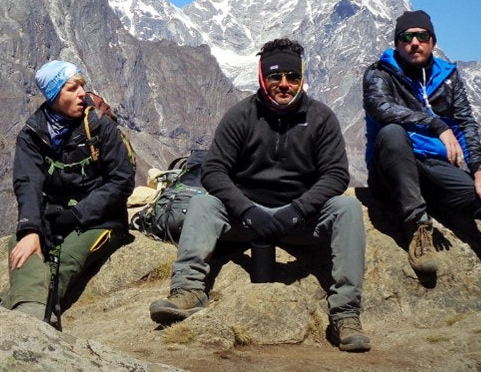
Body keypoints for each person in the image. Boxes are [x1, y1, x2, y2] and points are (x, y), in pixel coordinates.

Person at [149, 39, 371, 353]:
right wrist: (247, 211)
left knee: (346, 207)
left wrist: (295, 211)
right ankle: (188, 290)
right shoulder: (241, 116)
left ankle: (345, 315)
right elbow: (213, 171)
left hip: (300, 219)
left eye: (292, 77)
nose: (284, 84)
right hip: (246, 218)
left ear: (302, 78)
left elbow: (336, 175)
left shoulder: (321, 118)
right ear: (262, 78)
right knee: (204, 203)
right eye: (276, 76)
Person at [363, 10, 481, 318]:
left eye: (422, 36)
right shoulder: (379, 73)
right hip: (392, 170)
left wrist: (478, 169)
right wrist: (436, 124)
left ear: (433, 42)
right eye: (406, 37)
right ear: (397, 44)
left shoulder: (448, 76)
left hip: (436, 171)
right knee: (391, 133)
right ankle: (416, 227)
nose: (415, 43)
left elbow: (466, 122)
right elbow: (380, 108)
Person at [5, 60, 135, 323]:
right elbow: (27, 183)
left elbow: (122, 181)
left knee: (68, 256)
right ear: (53, 96)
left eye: (82, 87)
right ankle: (32, 309)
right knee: (23, 246)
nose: (82, 94)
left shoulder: (99, 125)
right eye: (72, 89)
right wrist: (30, 229)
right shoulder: (33, 134)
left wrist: (77, 214)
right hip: (56, 217)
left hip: (101, 221)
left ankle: (30, 311)